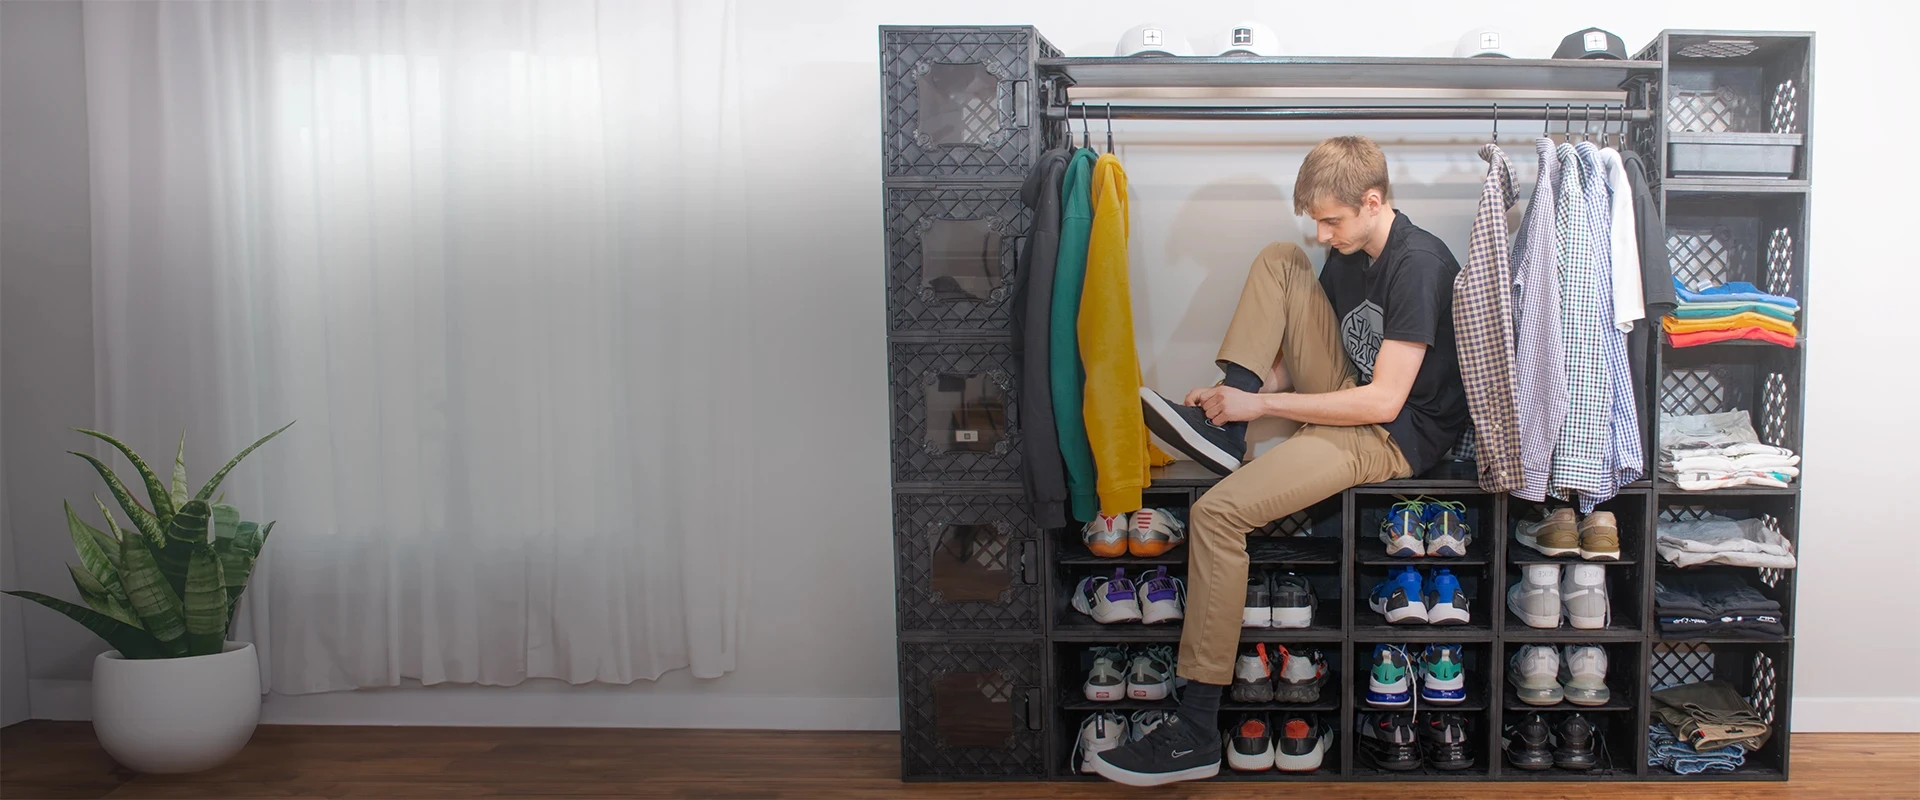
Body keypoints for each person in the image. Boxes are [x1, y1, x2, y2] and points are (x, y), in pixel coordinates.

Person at [1090, 135, 1470, 786]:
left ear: (1373, 201)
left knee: (1216, 514)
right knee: (1280, 259)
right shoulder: (1347, 252)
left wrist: (1258, 409)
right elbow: (1302, 345)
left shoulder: (1419, 262)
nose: (1323, 235)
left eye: (1332, 220)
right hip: (1348, 392)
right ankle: (1224, 439)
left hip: (1394, 432)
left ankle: (1195, 729)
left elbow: (1383, 399)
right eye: (1318, 220)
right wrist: (1244, 395)